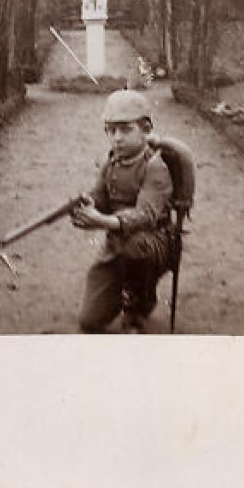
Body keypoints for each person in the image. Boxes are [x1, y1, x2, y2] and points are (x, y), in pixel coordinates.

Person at [72, 89, 174, 333]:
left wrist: (101, 221)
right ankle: (128, 289)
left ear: (146, 129)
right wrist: (87, 205)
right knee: (89, 320)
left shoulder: (155, 166)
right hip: (118, 243)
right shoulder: (112, 161)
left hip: (153, 242)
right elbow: (101, 195)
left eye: (126, 130)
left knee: (136, 248)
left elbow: (145, 215)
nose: (117, 138)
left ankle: (138, 306)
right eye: (111, 130)